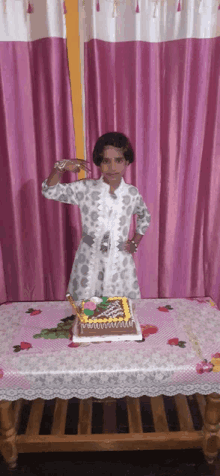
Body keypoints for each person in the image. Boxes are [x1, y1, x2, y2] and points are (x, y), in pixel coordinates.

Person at [42, 132, 151, 300]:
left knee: (117, 309)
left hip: (119, 262)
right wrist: (60, 168)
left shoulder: (131, 193)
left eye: (118, 160)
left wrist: (135, 242)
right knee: (87, 308)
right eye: (106, 161)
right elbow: (50, 191)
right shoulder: (86, 189)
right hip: (89, 259)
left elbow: (145, 215)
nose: (112, 167)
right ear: (99, 163)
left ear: (127, 161)